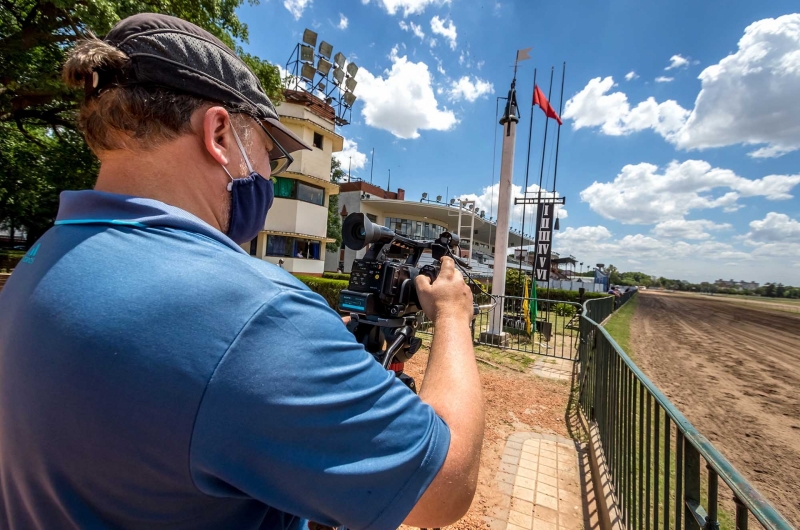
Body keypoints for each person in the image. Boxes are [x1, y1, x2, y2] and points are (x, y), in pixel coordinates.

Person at [0, 14, 484, 530]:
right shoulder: (255, 312)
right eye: (269, 153)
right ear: (219, 133)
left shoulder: (41, 259)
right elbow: (444, 485)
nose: (268, 175)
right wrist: (453, 316)